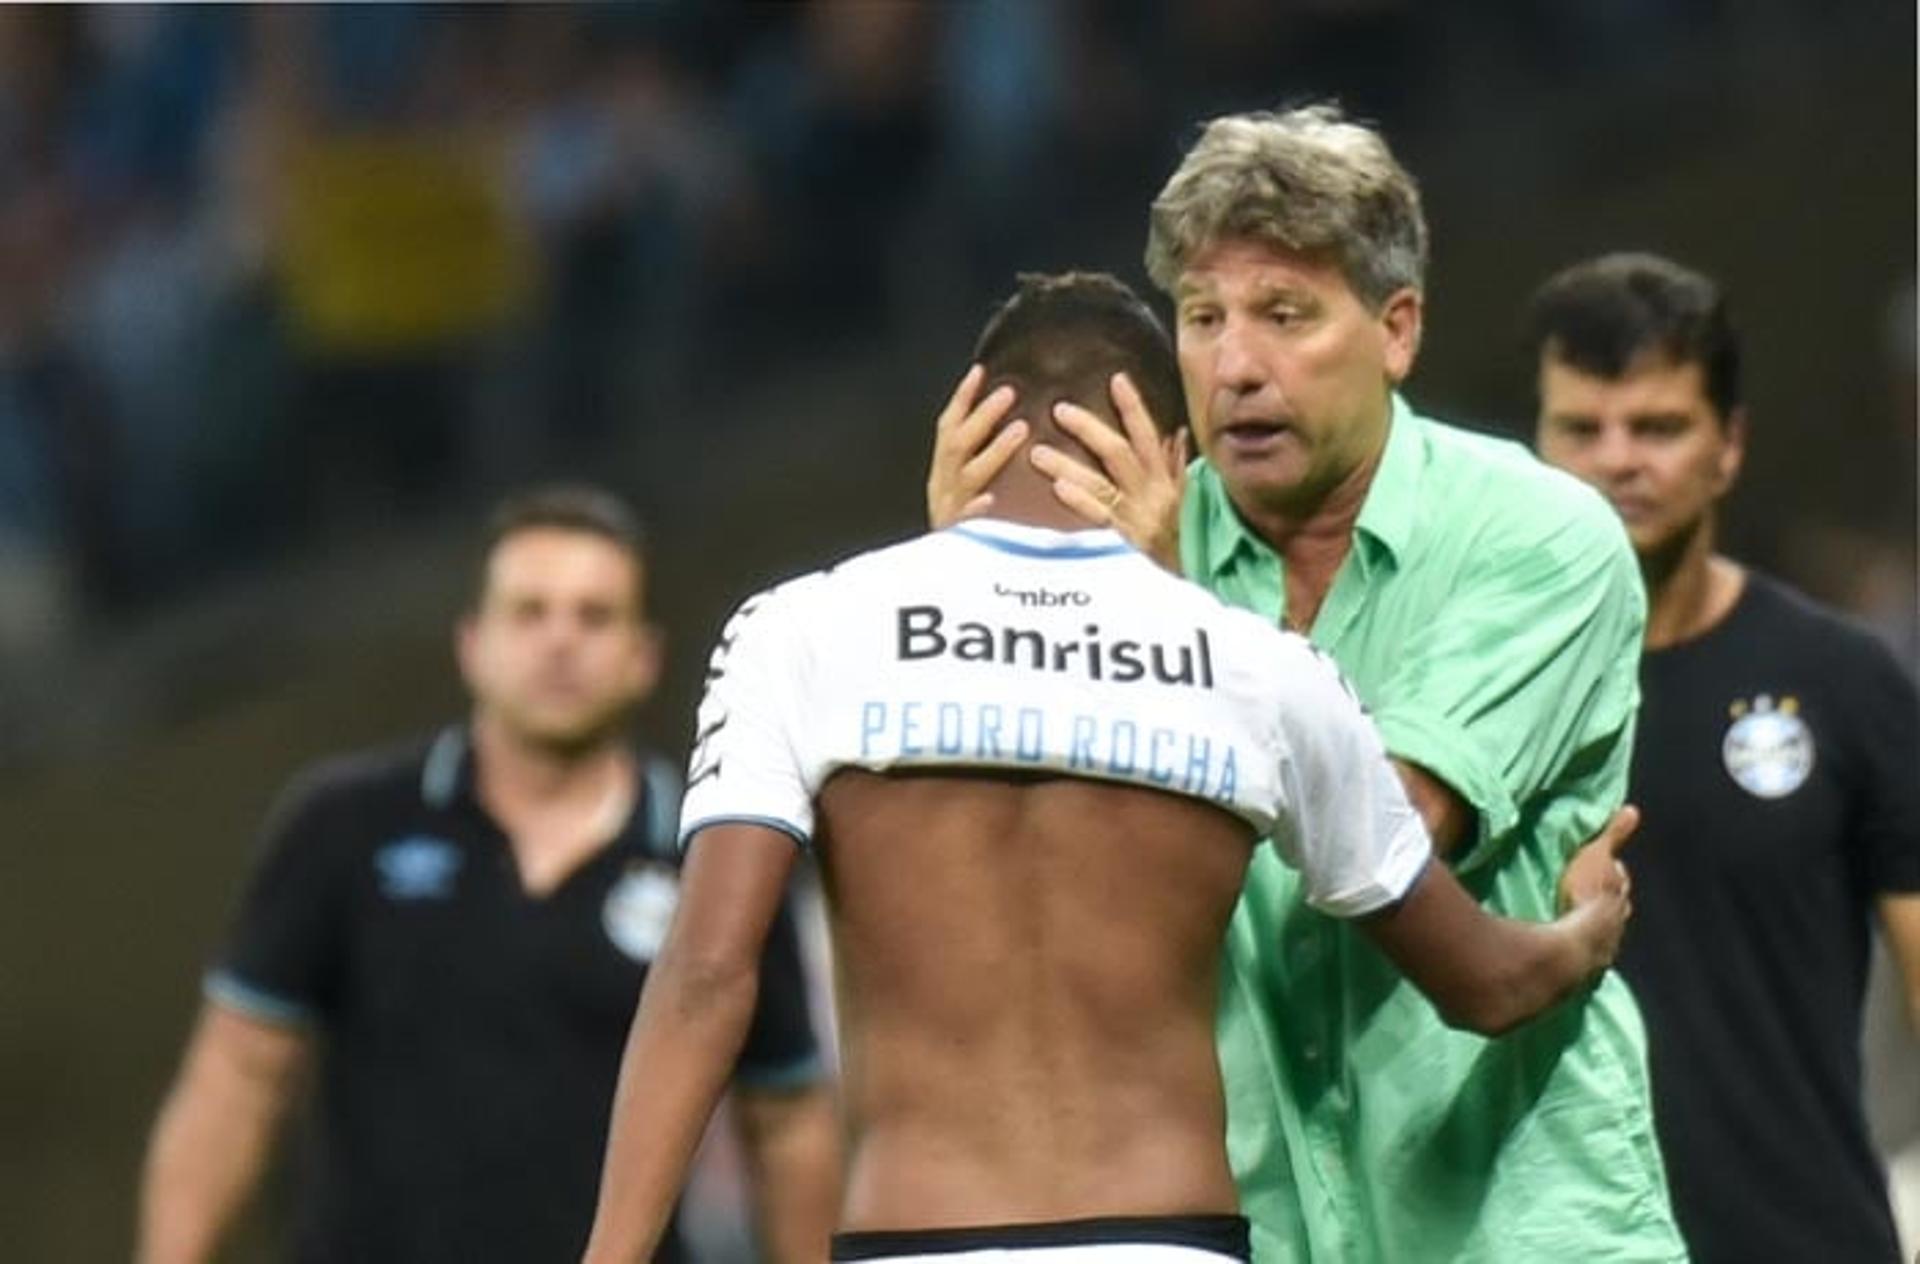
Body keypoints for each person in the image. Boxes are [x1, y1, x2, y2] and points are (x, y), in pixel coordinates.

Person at [581, 272, 1638, 1264]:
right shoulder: (1260, 669)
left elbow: (710, 973)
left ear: (967, 425)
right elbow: (1485, 983)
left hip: (914, 1235)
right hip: (1166, 1235)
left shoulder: (807, 628)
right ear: (1172, 457)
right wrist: (1581, 934)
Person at [928, 108, 1685, 1261]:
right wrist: (964, 590)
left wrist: (1158, 627)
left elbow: (1380, 831)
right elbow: (1009, 883)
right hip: (1247, 1226)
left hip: (1517, 1222)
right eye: (1203, 317)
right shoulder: (1118, 560)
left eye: (1286, 316)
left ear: (1396, 329)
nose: (1235, 366)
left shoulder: (1542, 539)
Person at [137, 485, 839, 1264]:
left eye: (594, 615)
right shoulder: (342, 827)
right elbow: (238, 1076)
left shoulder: (718, 856)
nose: (561, 641)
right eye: (530, 613)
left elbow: (787, 1120)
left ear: (645, 659)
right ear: (472, 643)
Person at [1529, 252, 1920, 1264]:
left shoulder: (1841, 679)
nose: (1617, 460)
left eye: (1657, 426)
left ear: (1729, 446)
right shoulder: (1474, 695)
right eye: (1583, 427)